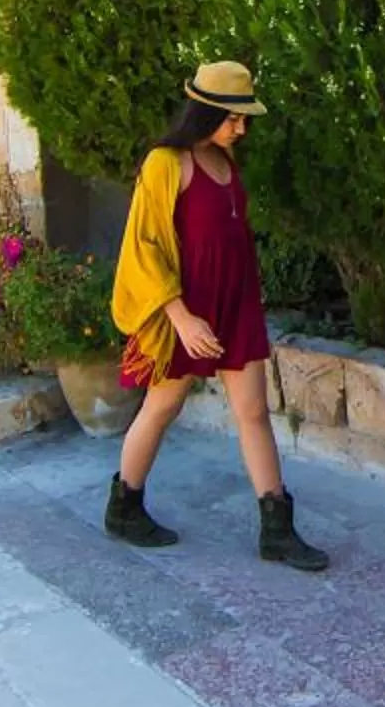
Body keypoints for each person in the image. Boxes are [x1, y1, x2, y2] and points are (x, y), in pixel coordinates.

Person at [103, 61, 329, 572]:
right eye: (234, 118)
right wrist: (180, 317)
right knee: (161, 407)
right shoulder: (166, 163)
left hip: (235, 304)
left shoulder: (226, 163)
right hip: (186, 310)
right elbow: (143, 247)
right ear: (206, 112)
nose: (242, 129)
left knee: (252, 411)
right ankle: (124, 507)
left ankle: (278, 531)